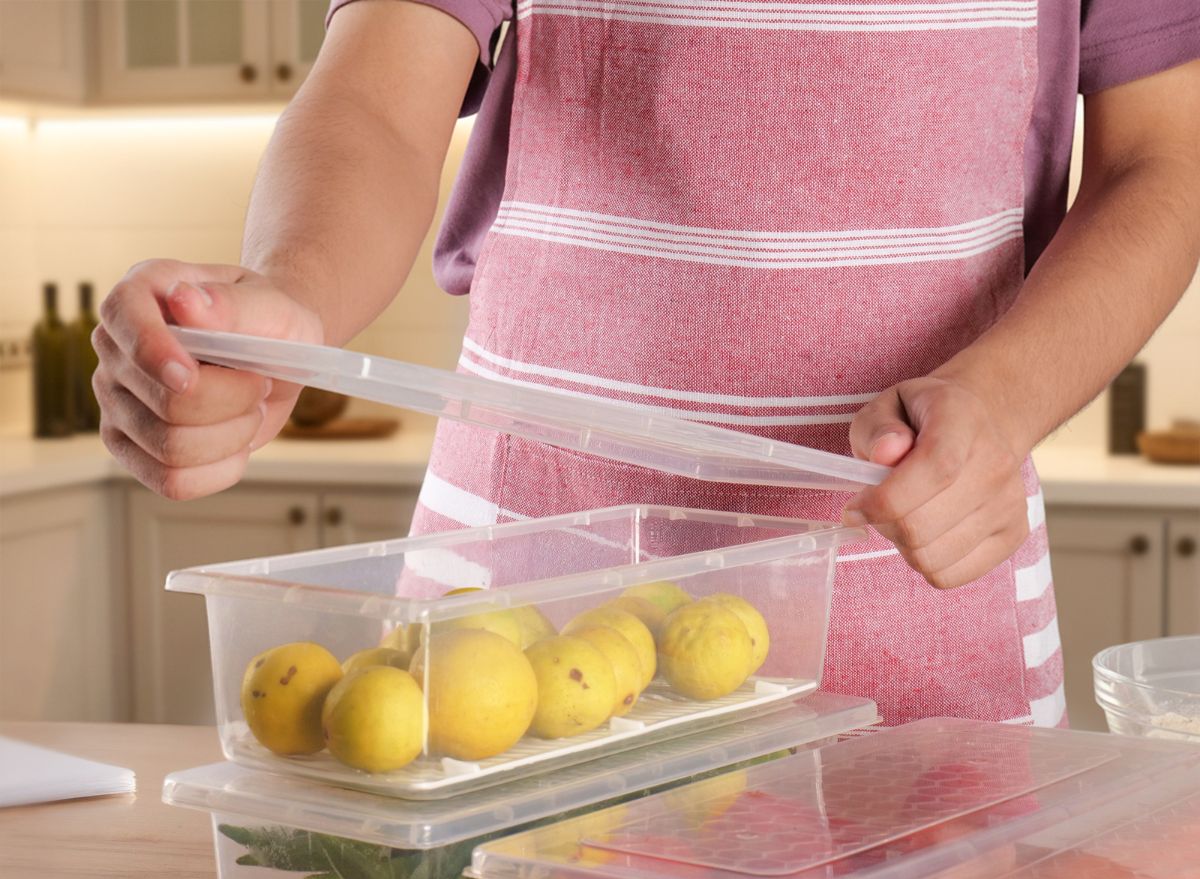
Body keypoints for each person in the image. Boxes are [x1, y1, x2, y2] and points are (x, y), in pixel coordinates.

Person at [92, 0, 1200, 726]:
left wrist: (1003, 401)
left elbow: (1162, 162)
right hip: (521, 616)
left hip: (913, 602)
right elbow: (379, 95)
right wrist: (292, 293)